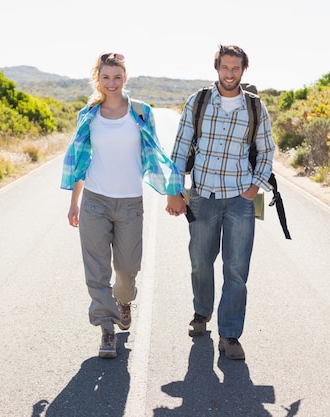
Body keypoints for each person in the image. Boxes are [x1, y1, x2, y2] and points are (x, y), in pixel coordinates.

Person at [61, 52, 183, 359]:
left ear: (125, 78)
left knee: (127, 270)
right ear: (97, 79)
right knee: (96, 270)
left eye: (117, 77)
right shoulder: (88, 113)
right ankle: (106, 330)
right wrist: (74, 202)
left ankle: (124, 300)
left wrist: (171, 190)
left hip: (130, 203)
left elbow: (156, 154)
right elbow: (80, 161)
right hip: (95, 202)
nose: (111, 83)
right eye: (106, 77)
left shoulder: (140, 112)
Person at [166, 45, 276, 360]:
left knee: (236, 269)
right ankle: (201, 313)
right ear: (217, 68)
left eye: (235, 68)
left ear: (243, 70)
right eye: (225, 67)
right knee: (200, 262)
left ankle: (230, 335)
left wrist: (254, 188)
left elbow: (267, 151)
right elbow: (180, 147)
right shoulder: (198, 102)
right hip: (202, 196)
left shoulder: (255, 107)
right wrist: (175, 190)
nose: (230, 73)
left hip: (240, 200)